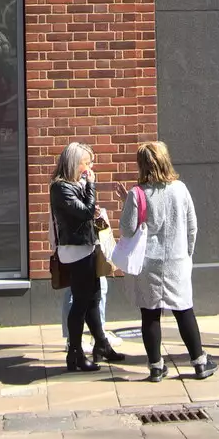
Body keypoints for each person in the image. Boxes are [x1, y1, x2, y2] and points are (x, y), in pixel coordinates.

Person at [120, 141, 215, 381]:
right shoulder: (180, 189)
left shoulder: (136, 193)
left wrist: (127, 203)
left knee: (150, 314)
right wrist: (187, 254)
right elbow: (192, 226)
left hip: (148, 263)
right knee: (184, 310)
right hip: (177, 260)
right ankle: (200, 362)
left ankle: (155, 366)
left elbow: (127, 229)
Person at [50, 141, 126, 372]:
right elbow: (84, 212)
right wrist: (91, 186)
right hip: (75, 251)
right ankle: (75, 354)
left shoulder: (76, 184)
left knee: (94, 297)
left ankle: (101, 344)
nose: (90, 167)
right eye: (86, 162)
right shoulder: (61, 187)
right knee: (80, 301)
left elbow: (88, 210)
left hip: (87, 246)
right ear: (75, 163)